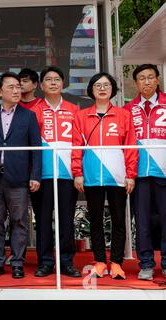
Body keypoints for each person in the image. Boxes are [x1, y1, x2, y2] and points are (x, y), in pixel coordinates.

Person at [72, 72, 138, 279]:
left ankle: (117, 263)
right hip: (91, 176)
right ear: (91, 89)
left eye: (106, 85)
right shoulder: (81, 116)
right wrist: (77, 173)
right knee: (96, 220)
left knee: (119, 220)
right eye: (98, 85)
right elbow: (76, 147)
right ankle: (100, 261)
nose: (102, 88)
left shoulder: (124, 115)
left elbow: (131, 147)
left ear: (112, 89)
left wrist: (131, 174)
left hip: (118, 176)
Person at [0, 71, 42, 279]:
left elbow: (36, 149)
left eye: (18, 87)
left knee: (19, 221)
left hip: (19, 178)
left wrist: (35, 176)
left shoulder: (28, 116)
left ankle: (17, 263)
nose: (16, 90)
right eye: (11, 87)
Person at [30, 66, 81, 277]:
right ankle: (45, 261)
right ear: (41, 86)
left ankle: (67, 261)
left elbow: (79, 142)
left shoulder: (74, 110)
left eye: (57, 79)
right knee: (42, 220)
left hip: (68, 174)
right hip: (42, 176)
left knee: (67, 220)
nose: (53, 82)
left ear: (63, 83)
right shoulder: (33, 111)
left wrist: (78, 171)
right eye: (48, 79)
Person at [123, 64, 166, 280]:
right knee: (142, 222)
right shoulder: (128, 109)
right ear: (136, 83)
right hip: (139, 174)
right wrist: (129, 173)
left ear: (158, 79)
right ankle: (146, 264)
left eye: (150, 77)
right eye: (142, 78)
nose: (146, 82)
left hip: (164, 173)